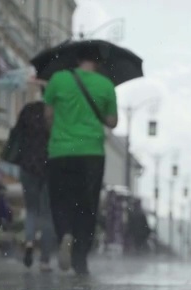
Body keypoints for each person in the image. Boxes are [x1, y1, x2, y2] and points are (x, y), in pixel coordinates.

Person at [43, 46, 118, 275]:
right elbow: (112, 122)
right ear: (97, 62)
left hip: (61, 151)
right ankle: (80, 259)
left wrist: (57, 132)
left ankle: (65, 233)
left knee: (60, 200)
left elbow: (47, 115)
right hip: (91, 153)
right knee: (87, 206)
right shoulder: (106, 85)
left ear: (77, 59)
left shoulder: (58, 79)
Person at [16, 101, 57, 272]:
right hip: (49, 166)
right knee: (47, 213)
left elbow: (18, 134)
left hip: (28, 166)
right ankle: (45, 260)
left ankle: (30, 241)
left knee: (31, 209)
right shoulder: (56, 112)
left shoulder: (28, 110)